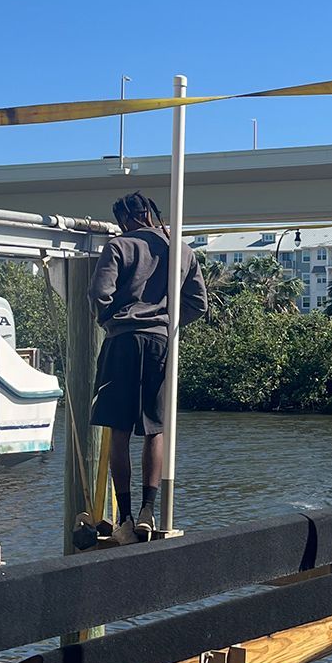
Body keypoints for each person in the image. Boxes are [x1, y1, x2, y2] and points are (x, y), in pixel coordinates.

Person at [87, 191, 208, 542]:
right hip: (160, 342)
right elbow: (198, 303)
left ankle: (123, 515)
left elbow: (99, 293)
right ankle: (148, 511)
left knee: (118, 430)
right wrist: (168, 320)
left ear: (126, 219)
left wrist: (111, 320)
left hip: (122, 341)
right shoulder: (182, 251)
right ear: (150, 214)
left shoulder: (119, 247)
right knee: (155, 428)